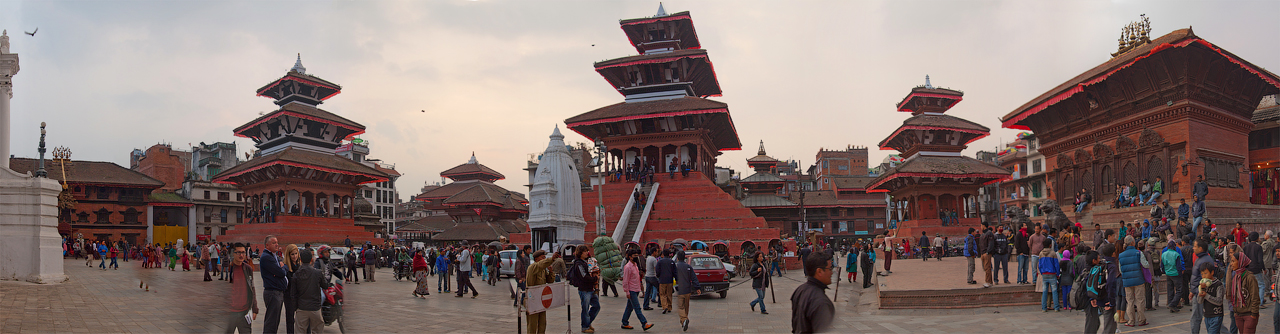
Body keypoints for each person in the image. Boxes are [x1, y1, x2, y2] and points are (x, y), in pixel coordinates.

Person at [791, 250, 834, 333]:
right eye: (830, 269)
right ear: (819, 271)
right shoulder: (821, 302)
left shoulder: (800, 290)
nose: (831, 273)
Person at [290, 249, 328, 334]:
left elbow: (293, 294)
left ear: (300, 259)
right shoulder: (317, 273)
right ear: (312, 259)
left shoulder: (296, 274)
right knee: (318, 330)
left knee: (300, 331)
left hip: (302, 307)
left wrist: (296, 307)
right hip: (315, 307)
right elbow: (325, 285)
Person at [224, 243, 259, 334]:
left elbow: (252, 288)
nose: (241, 255)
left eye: (243, 252)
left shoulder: (248, 269)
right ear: (233, 254)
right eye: (238, 252)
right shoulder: (228, 268)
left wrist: (254, 309)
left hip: (244, 312)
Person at [1229, 247, 1261, 334]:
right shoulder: (1236, 277)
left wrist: (1254, 314)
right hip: (1238, 314)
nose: (1231, 264)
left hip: (1249, 314)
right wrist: (1235, 311)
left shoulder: (1249, 277)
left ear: (1241, 262)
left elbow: (1255, 296)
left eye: (1233, 261)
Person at [569, 245, 600, 333]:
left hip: (591, 288)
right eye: (585, 251)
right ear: (580, 253)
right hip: (584, 289)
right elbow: (584, 277)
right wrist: (595, 279)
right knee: (585, 308)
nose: (587, 253)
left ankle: (587, 322)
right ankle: (585, 327)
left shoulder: (586, 262)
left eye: (587, 251)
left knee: (596, 306)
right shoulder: (578, 264)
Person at [260, 236, 287, 334]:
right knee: (271, 323)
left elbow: (281, 269)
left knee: (275, 321)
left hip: (277, 292)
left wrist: (282, 267)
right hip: (273, 292)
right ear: (267, 245)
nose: (277, 244)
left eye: (277, 242)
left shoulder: (273, 256)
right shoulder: (267, 257)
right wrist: (283, 268)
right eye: (273, 243)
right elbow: (281, 272)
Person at [620, 250, 653, 331]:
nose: (636, 257)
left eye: (637, 255)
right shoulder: (628, 267)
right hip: (631, 290)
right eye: (634, 255)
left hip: (636, 289)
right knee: (637, 307)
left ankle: (624, 322)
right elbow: (625, 280)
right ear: (630, 257)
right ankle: (644, 323)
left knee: (629, 307)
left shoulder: (635, 265)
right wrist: (627, 291)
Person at [526, 250, 555, 334]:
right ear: (536, 259)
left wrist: (551, 272)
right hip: (533, 299)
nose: (544, 259)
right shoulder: (533, 267)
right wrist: (551, 259)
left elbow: (550, 281)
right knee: (532, 324)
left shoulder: (543, 270)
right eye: (542, 257)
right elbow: (540, 265)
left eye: (545, 257)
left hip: (541, 299)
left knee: (542, 323)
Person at [674, 251, 701, 331]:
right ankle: (684, 322)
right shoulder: (688, 267)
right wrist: (697, 288)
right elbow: (694, 278)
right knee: (686, 306)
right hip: (688, 290)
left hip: (680, 290)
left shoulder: (676, 267)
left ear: (678, 258)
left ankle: (684, 319)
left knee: (680, 307)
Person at [1200, 262, 1227, 334]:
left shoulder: (1218, 284)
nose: (1204, 276)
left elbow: (1219, 301)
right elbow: (1199, 301)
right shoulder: (1203, 285)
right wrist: (1202, 290)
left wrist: (1206, 295)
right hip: (1207, 315)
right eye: (1202, 274)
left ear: (1212, 272)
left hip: (1216, 315)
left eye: (1205, 273)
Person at [282, 244, 301, 334]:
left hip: (299, 296)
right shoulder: (286, 267)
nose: (295, 256)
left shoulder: (300, 266)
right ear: (288, 255)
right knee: (290, 319)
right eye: (292, 254)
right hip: (289, 296)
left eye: (296, 253)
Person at [1162, 240, 1186, 312]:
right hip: (1175, 273)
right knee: (1179, 290)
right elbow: (1178, 266)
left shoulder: (1164, 254)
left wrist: (1165, 271)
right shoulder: (1176, 254)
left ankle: (1170, 303)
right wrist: (1180, 273)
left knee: (1170, 290)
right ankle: (1173, 304)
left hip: (1168, 273)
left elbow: (1162, 265)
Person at [1037, 239, 1059, 312]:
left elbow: (1039, 265)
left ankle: (1044, 308)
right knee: (1054, 291)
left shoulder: (1041, 253)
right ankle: (1056, 307)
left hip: (1044, 274)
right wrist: (1058, 273)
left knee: (1044, 291)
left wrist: (1041, 272)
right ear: (1050, 245)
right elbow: (1056, 264)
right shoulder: (1053, 253)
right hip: (1052, 273)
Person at [656, 249, 676, 314]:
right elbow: (674, 271)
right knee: (669, 294)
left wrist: (658, 276)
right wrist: (676, 278)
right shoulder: (672, 261)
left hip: (662, 280)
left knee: (662, 294)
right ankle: (669, 307)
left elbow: (657, 271)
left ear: (663, 254)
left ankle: (665, 306)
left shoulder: (660, 262)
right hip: (670, 280)